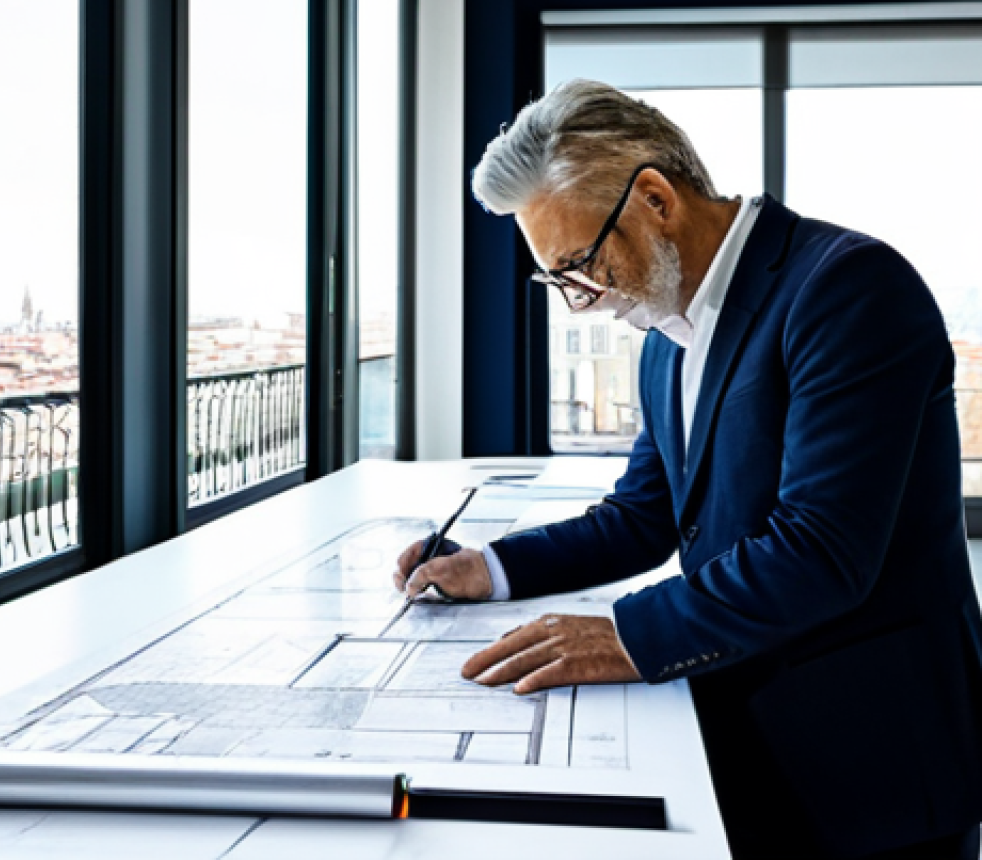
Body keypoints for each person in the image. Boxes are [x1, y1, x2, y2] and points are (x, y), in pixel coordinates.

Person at [394, 79, 982, 860]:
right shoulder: (665, 337)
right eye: (559, 280)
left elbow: (822, 552)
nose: (584, 300)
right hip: (746, 731)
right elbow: (644, 515)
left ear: (653, 199)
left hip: (874, 760)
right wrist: (491, 569)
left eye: (581, 264)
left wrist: (625, 636)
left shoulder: (847, 288)